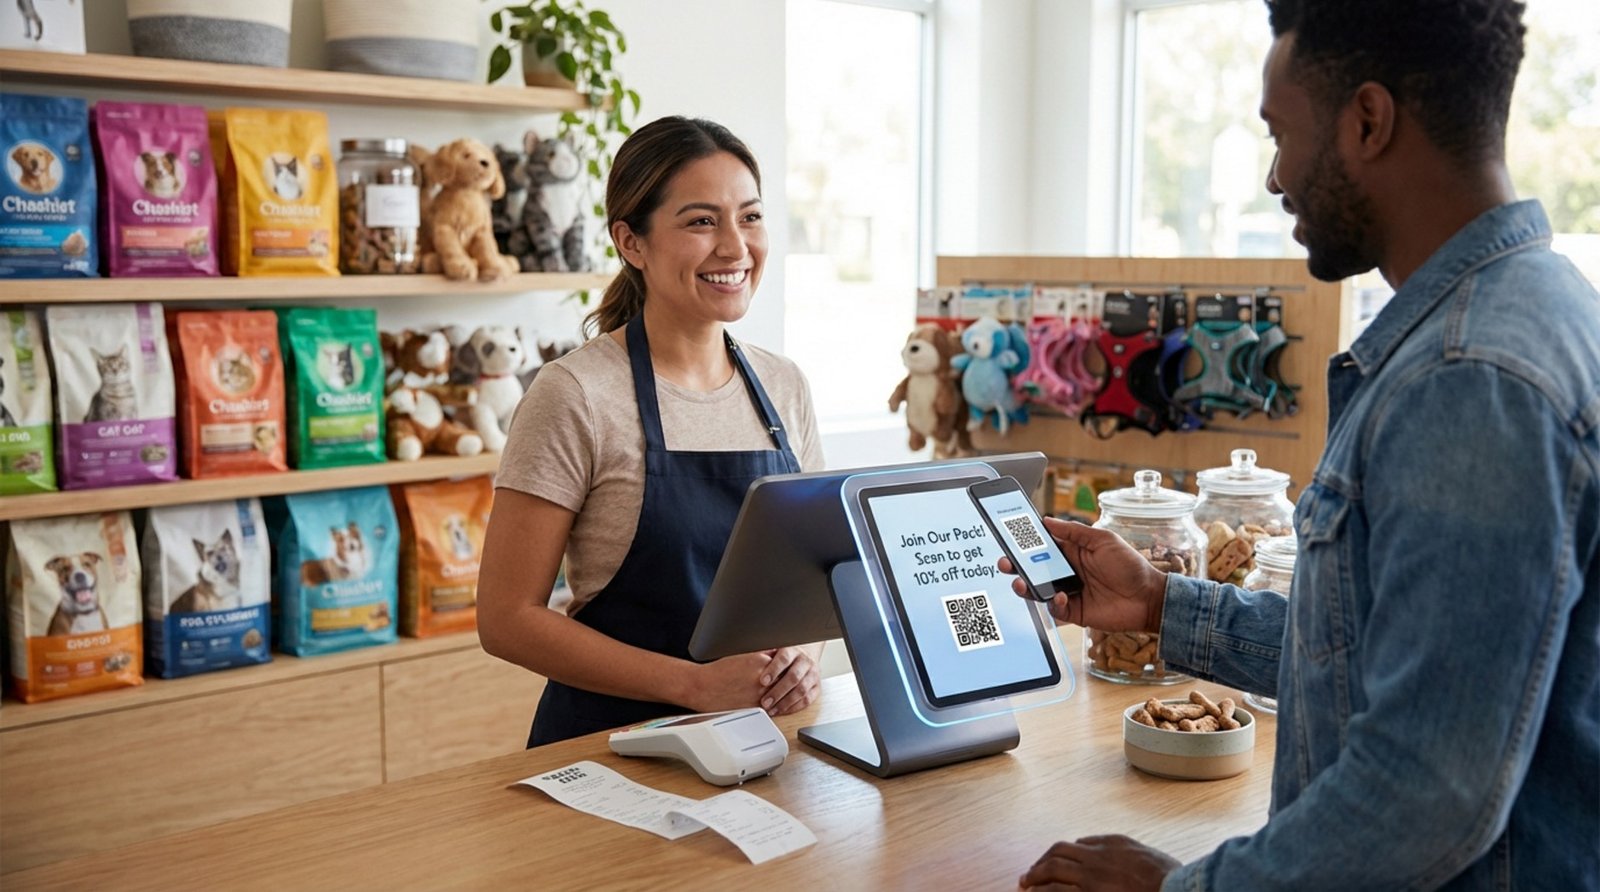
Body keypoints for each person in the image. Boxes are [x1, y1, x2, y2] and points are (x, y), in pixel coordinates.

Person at [1011, 1, 1599, 889]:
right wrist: (1165, 605)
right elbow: (1391, 658)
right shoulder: (1530, 317)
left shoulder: (1468, 377)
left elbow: (1426, 790)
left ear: (1367, 121)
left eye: (1281, 135)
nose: (1277, 178)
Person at [478, 117, 826, 747]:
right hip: (609, 752)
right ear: (631, 242)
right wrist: (692, 686)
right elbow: (506, 619)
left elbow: (814, 577)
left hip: (758, 745)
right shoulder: (575, 394)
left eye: (749, 217)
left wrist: (802, 661)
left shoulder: (785, 385)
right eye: (700, 221)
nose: (734, 247)